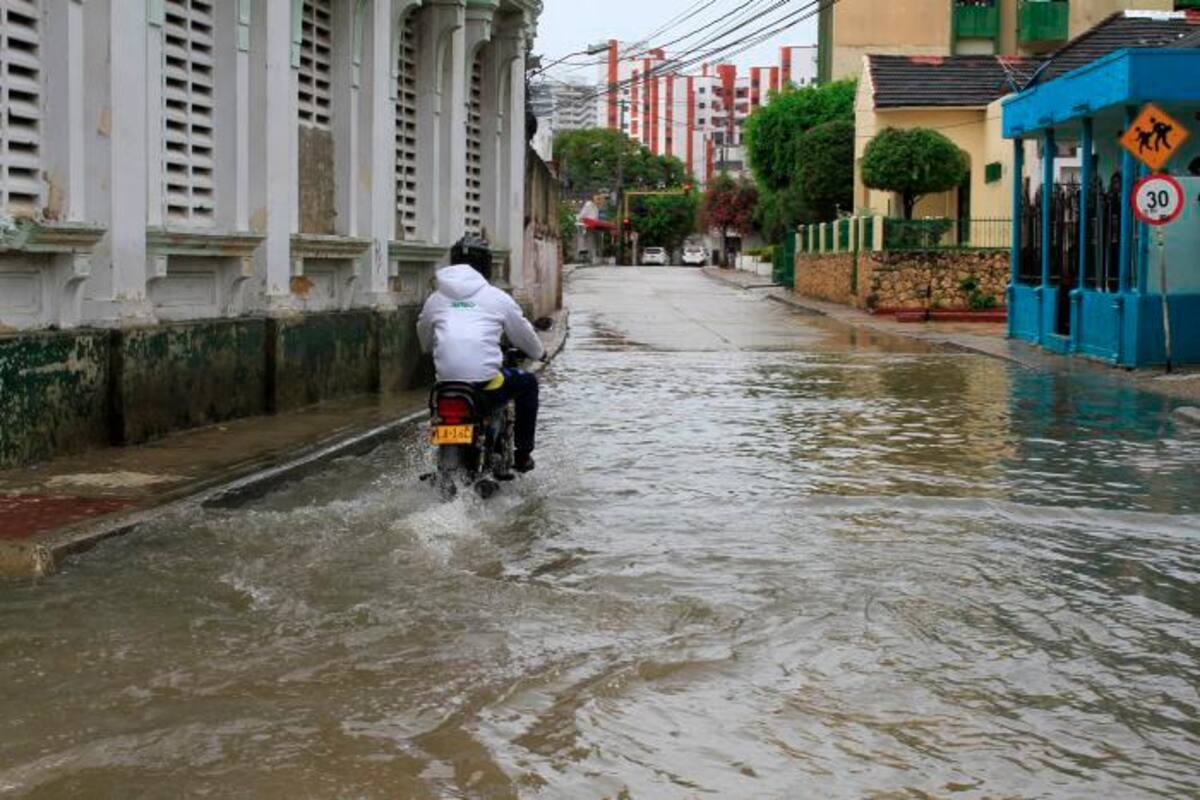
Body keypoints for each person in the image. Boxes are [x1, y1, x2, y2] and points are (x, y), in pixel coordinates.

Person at [417, 235, 546, 473]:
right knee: (527, 383)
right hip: (484, 385)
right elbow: (523, 334)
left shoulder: (435, 300)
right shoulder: (497, 298)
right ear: (486, 266)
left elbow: (424, 340)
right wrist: (540, 352)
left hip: (446, 386)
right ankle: (523, 454)